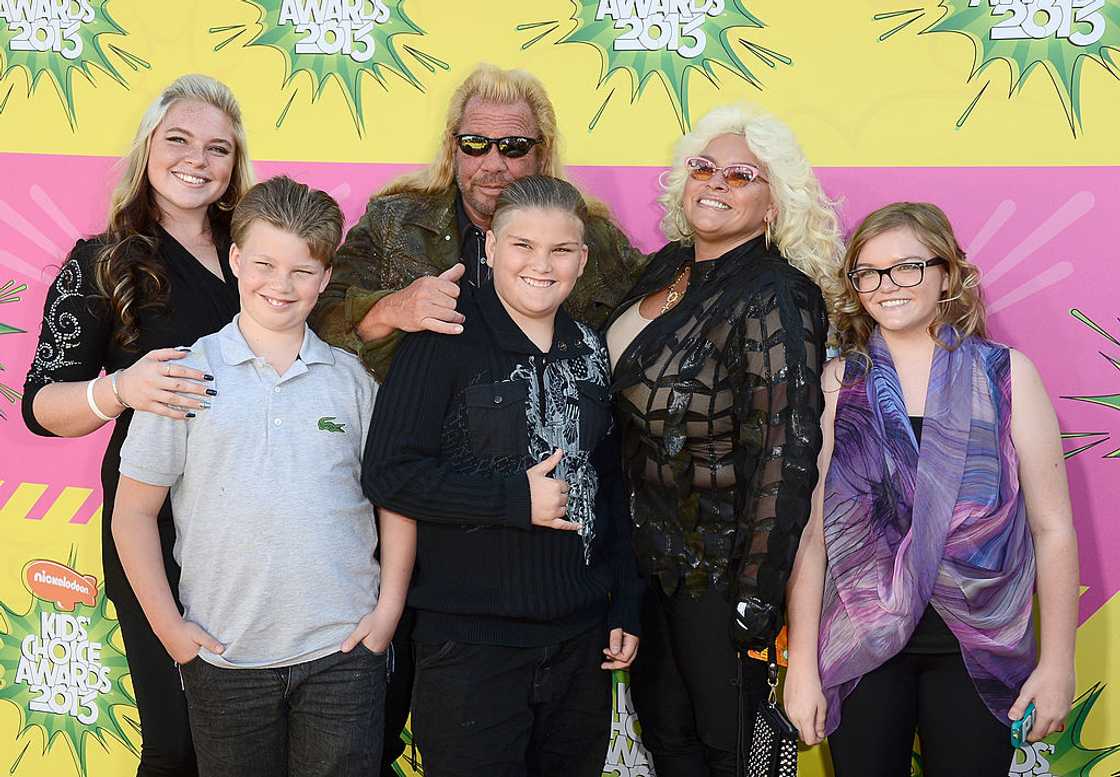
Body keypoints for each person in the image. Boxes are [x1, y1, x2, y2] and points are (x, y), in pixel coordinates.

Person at [309, 63, 647, 773]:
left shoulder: (597, 266)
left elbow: (608, 453)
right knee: (368, 718)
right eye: (475, 143)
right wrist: (392, 310)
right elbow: (309, 311)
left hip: (566, 606)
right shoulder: (398, 222)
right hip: (401, 532)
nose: (493, 161)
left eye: (514, 147)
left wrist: (621, 594)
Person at [111, 176, 410, 777]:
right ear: (236, 259)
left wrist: (388, 613)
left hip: (342, 654)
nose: (281, 284)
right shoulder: (184, 376)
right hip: (225, 657)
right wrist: (173, 633)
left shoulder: (352, 381)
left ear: (326, 278)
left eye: (302, 271)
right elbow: (133, 513)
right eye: (265, 264)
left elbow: (394, 502)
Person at [783, 202, 1079, 777]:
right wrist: (801, 668)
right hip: (860, 644)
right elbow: (812, 533)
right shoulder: (839, 382)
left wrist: (1059, 662)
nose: (885, 286)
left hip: (978, 650)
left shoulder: (1006, 375)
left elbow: (1053, 529)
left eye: (907, 268)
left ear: (947, 273)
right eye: (867, 272)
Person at [362, 175, 644, 777]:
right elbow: (390, 475)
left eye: (560, 250)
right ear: (488, 247)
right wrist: (510, 499)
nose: (541, 266)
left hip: (580, 644)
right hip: (470, 648)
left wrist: (624, 603)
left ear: (582, 258)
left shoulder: (590, 348)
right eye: (522, 246)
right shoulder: (443, 340)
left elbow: (611, 488)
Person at [22, 74, 253, 776]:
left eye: (218, 147)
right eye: (178, 138)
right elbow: (40, 406)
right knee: (178, 741)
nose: (197, 159)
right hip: (155, 530)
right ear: (148, 148)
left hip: (264, 530)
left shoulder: (261, 254)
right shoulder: (103, 260)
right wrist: (121, 388)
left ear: (235, 164)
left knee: (251, 740)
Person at [603, 103, 840, 776]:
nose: (716, 183)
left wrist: (756, 597)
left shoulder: (777, 292)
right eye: (703, 167)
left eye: (741, 175)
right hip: (648, 566)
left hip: (723, 574)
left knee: (731, 753)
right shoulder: (663, 268)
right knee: (669, 743)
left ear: (773, 204)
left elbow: (785, 453)